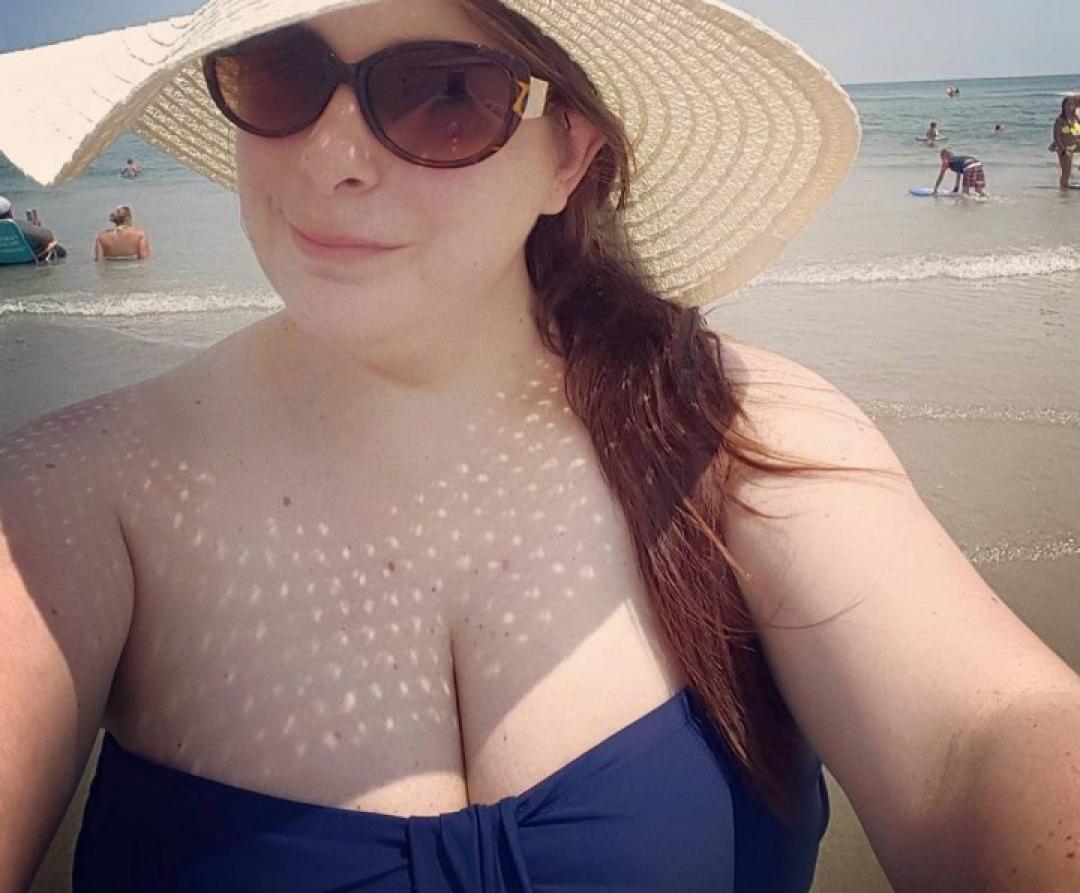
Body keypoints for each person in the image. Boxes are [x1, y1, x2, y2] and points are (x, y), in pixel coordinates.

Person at [1, 1, 1079, 891]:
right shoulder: (76, 498)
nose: (330, 157)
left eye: (444, 92)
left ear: (569, 153)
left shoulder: (731, 436)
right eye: (281, 74)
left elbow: (978, 741)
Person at [0, 194, 66, 262]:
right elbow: (48, 236)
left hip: (3, 263)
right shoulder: (19, 227)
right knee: (55, 247)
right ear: (10, 212)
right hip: (29, 261)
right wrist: (36, 228)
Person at [1051, 95, 1080, 189]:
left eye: (1072, 105)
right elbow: (1057, 137)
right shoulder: (1060, 120)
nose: (1070, 107)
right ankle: (1064, 191)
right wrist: (1064, 150)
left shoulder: (1076, 118)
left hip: (1075, 145)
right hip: (1064, 147)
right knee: (1066, 171)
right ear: (1063, 106)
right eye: (1067, 105)